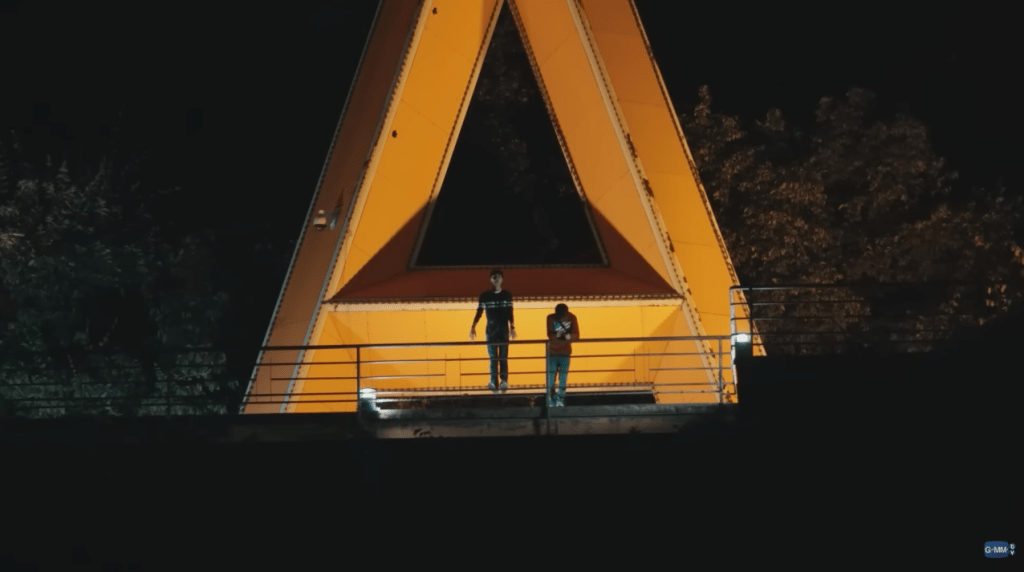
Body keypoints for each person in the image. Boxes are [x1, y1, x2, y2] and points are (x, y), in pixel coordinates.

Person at [470, 269, 516, 393]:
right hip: (490, 330)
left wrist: (512, 327)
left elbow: (510, 312)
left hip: (503, 329)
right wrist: (473, 326)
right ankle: (493, 382)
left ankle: (504, 381)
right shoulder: (485, 296)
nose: (496, 279)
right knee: (493, 358)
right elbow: (479, 311)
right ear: (491, 279)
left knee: (503, 357)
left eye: (499, 277)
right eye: (494, 277)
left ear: (502, 279)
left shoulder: (507, 295)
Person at [546, 303, 579, 407]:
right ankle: (553, 400)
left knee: (561, 378)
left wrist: (558, 335)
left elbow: (576, 336)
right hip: (556, 352)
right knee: (552, 379)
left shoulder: (571, 318)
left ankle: (557, 400)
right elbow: (551, 336)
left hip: (560, 352)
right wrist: (566, 336)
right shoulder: (551, 318)